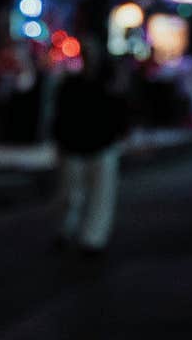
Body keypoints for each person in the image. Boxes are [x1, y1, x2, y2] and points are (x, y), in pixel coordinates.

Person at [50, 41, 130, 256]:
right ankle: (69, 231)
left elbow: (120, 111)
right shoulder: (73, 84)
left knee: (98, 195)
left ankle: (92, 238)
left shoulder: (107, 84)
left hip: (99, 144)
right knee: (71, 194)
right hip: (77, 144)